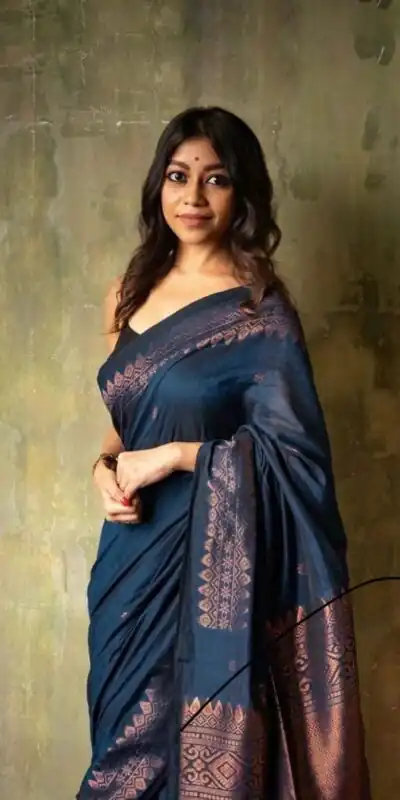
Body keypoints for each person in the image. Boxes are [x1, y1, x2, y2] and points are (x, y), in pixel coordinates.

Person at [77, 107, 370, 799]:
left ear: (242, 193)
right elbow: (124, 427)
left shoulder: (259, 311)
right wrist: (102, 469)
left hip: (212, 566)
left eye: (216, 179)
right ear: (159, 185)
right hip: (130, 564)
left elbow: (296, 459)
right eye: (179, 176)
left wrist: (175, 458)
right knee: (119, 753)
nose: (193, 197)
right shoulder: (126, 295)